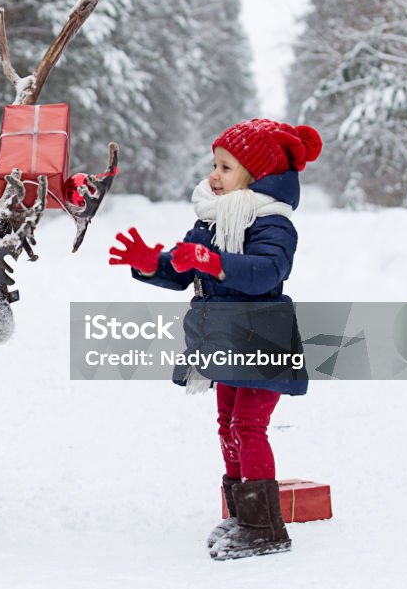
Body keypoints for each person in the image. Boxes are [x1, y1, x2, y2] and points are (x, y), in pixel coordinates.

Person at [109, 119, 322, 560]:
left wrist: (215, 261)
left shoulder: (273, 224)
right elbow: (185, 267)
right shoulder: (209, 220)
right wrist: (152, 263)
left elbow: (268, 271)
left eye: (226, 167)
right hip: (225, 336)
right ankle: (240, 512)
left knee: (248, 424)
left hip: (263, 337)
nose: (214, 175)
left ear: (255, 175)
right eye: (215, 165)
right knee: (226, 424)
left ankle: (265, 527)